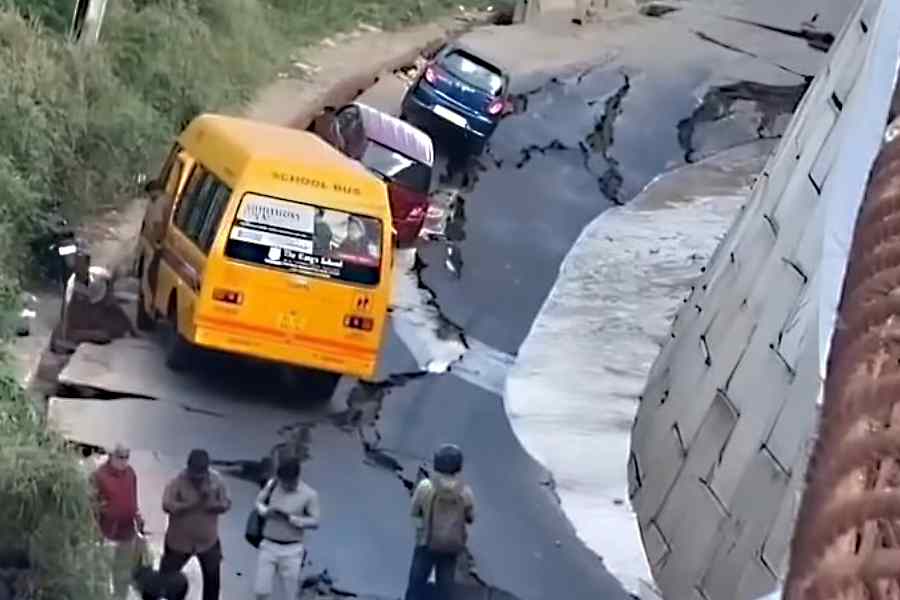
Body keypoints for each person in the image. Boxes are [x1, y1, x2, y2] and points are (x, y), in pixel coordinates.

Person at [405, 444, 475, 600]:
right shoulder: (465, 492)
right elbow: (470, 518)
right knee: (444, 587)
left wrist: (421, 530)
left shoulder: (425, 487)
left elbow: (414, 512)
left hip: (426, 543)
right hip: (450, 546)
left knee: (416, 584)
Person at [160, 449, 232, 600]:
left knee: (212, 583)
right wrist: (190, 504)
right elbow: (167, 505)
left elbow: (226, 503)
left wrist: (212, 505)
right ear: (188, 468)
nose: (198, 479)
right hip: (178, 543)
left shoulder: (216, 481)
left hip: (208, 542)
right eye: (194, 476)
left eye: (201, 476)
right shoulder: (177, 481)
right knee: (166, 583)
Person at [253, 455, 320, 600]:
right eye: (282, 481)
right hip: (269, 545)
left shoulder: (309, 494)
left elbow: (315, 522)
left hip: (291, 549)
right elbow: (258, 502)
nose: (283, 485)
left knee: (290, 593)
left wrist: (293, 519)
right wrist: (265, 511)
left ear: (295, 477)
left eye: (287, 482)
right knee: (261, 590)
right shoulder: (272, 485)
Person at [90, 443, 145, 600]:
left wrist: (137, 515)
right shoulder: (99, 476)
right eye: (120, 457)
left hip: (127, 531)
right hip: (106, 532)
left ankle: (120, 597)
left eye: (126, 457)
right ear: (111, 457)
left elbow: (133, 497)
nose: (123, 461)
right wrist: (95, 527)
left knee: (123, 572)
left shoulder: (131, 473)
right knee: (102, 571)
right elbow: (91, 504)